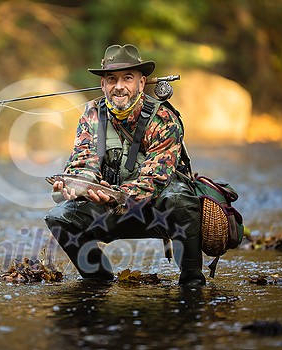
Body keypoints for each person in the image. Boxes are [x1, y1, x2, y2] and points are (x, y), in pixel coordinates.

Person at [44, 44, 206, 286]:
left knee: (181, 200)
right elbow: (83, 163)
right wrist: (76, 188)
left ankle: (191, 282)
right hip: (108, 210)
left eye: (127, 78)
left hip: (157, 211)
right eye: (111, 79)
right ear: (103, 85)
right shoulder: (91, 115)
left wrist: (114, 196)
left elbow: (156, 179)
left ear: (141, 83)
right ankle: (97, 279)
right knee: (60, 217)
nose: (118, 86)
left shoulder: (163, 118)